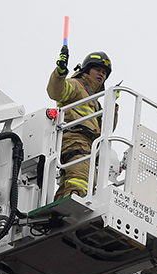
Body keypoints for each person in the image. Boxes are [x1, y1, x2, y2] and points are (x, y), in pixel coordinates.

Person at [48, 46, 113, 201]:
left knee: (74, 180)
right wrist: (60, 73)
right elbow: (56, 92)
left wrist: (113, 105)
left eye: (104, 73)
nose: (101, 74)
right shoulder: (77, 85)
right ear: (86, 70)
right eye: (98, 70)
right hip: (74, 138)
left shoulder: (96, 103)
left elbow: (106, 130)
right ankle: (74, 201)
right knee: (80, 176)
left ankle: (59, 209)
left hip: (88, 144)